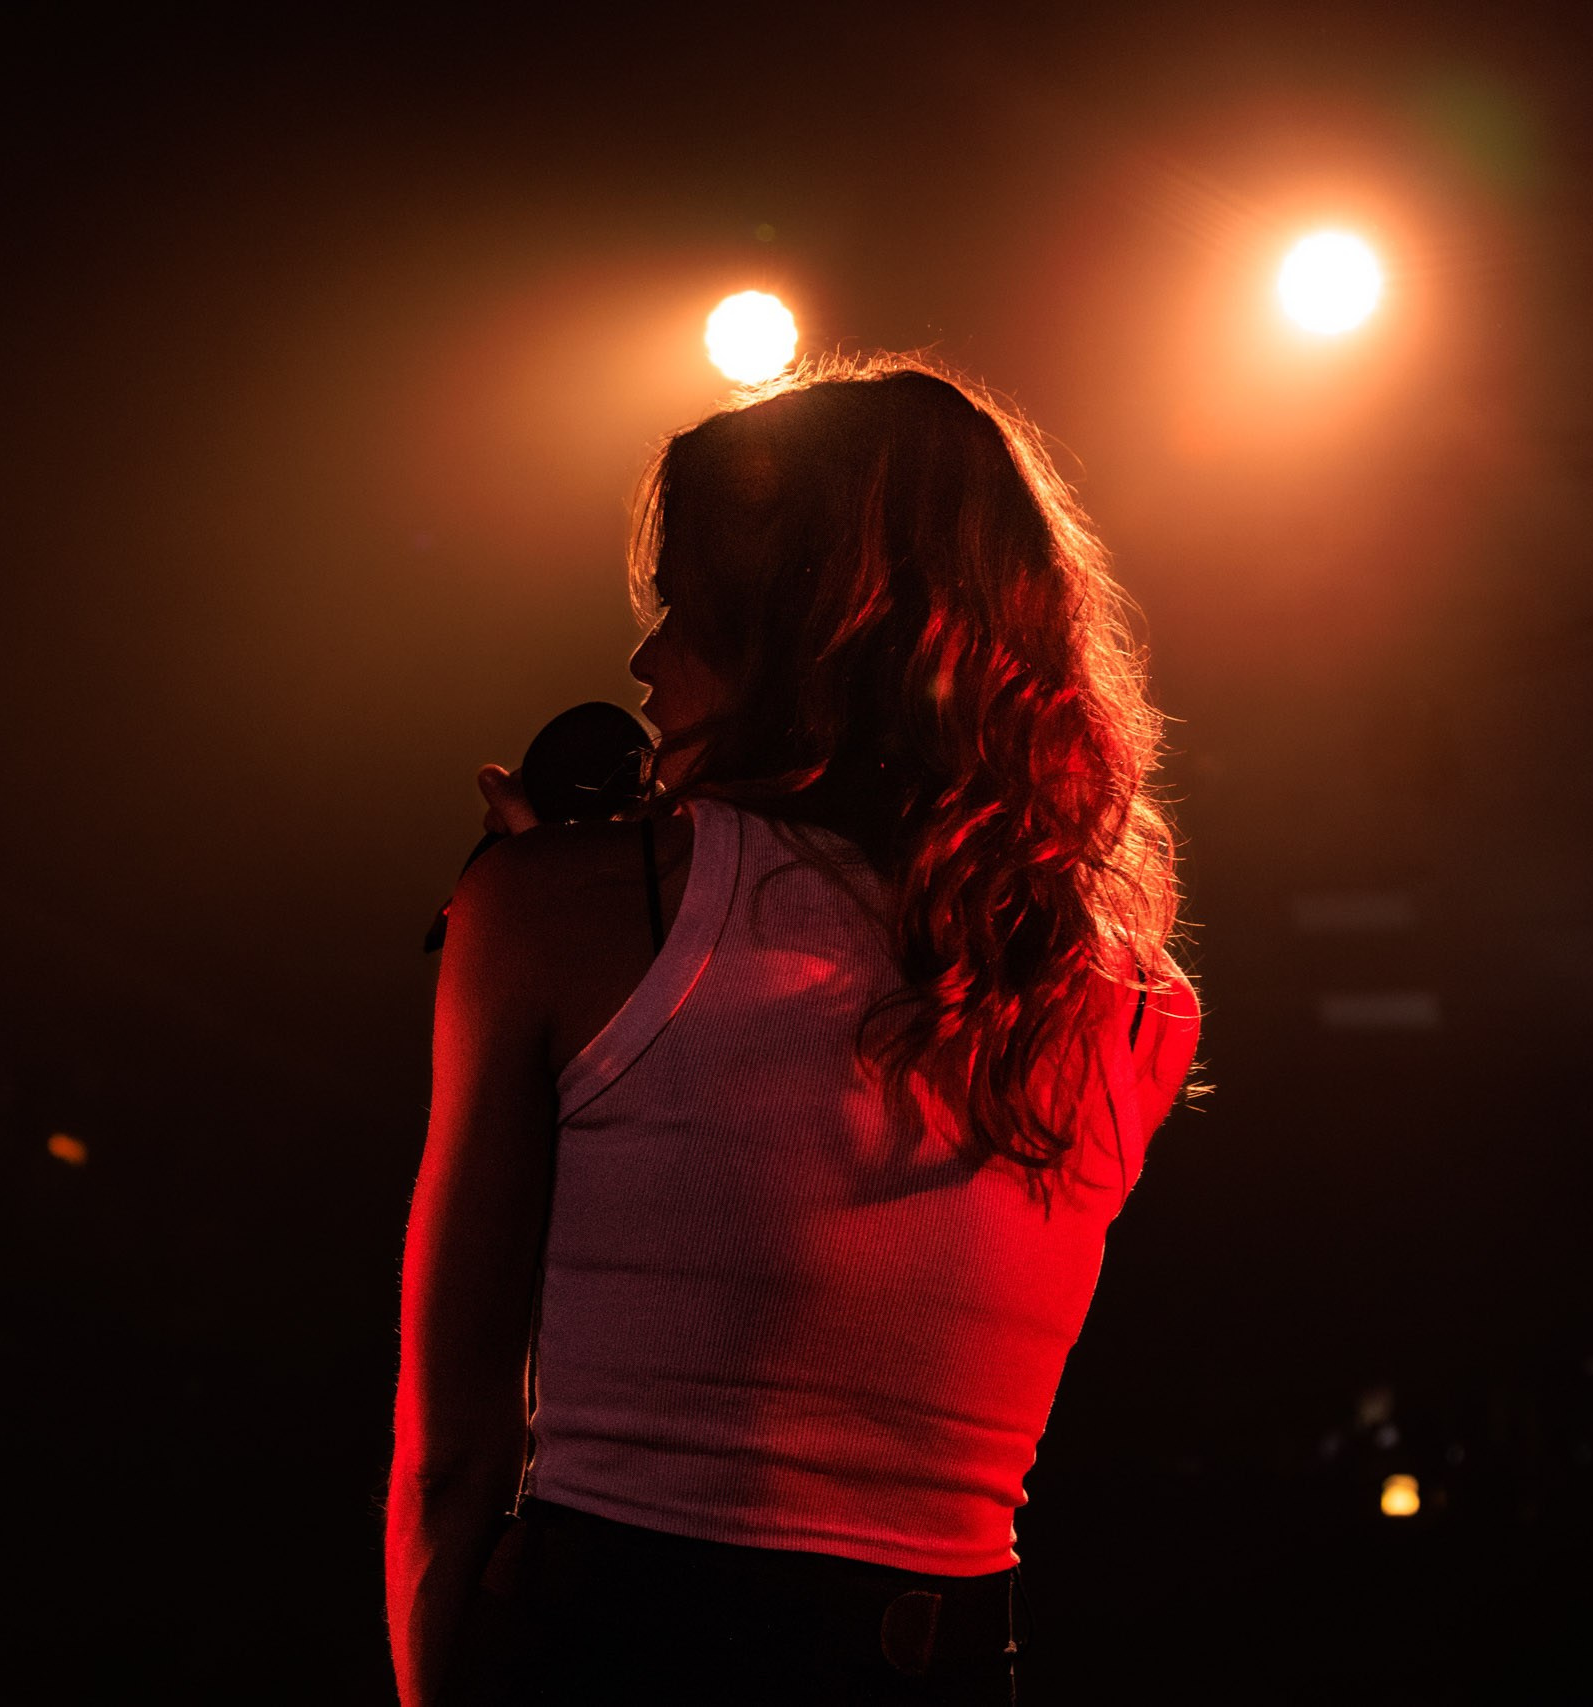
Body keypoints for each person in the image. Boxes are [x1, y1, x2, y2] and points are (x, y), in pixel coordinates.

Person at [388, 356, 1201, 1705]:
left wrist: (541, 909)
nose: (644, 663)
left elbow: (453, 1452)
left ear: (807, 629)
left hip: (616, 1652)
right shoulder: (1132, 1002)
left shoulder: (557, 910)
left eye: (689, 613)